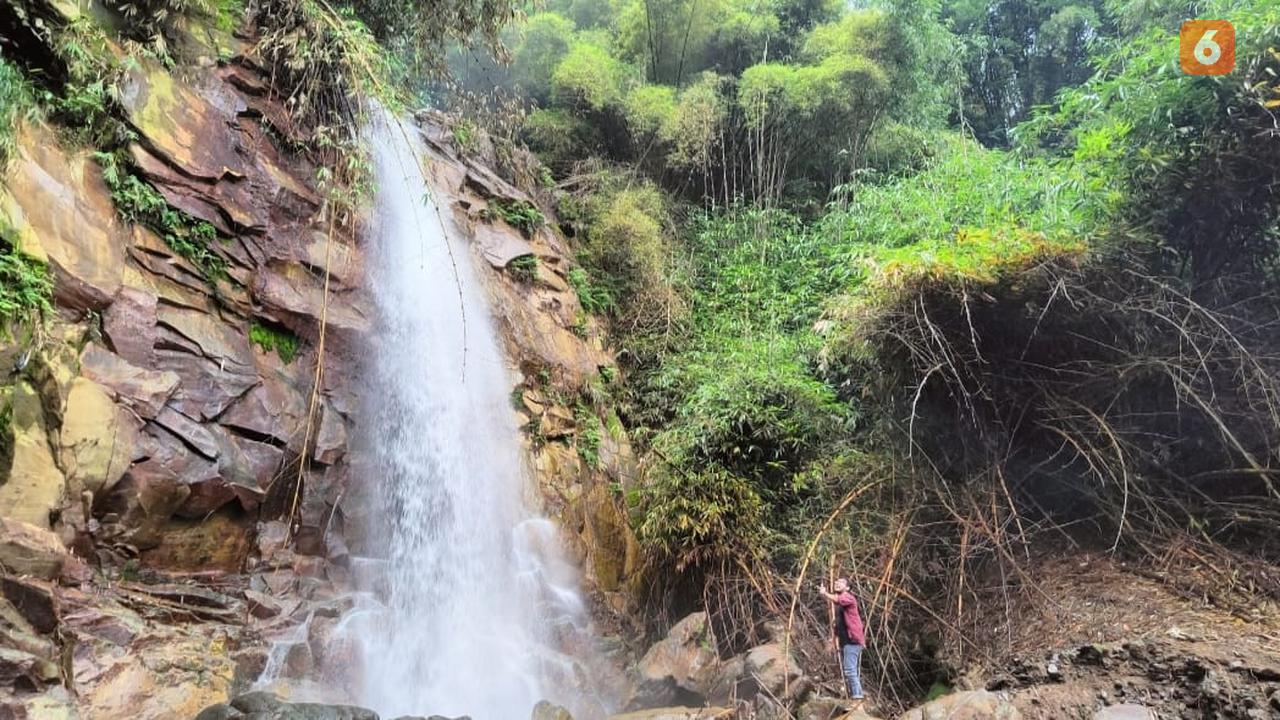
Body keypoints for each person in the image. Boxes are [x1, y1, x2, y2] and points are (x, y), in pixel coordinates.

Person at [819, 578, 865, 701]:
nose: (836, 583)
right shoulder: (839, 607)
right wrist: (833, 640)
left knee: (850, 670)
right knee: (850, 670)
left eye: (841, 582)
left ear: (848, 588)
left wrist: (825, 593)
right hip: (846, 642)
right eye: (836, 582)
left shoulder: (849, 598)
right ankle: (857, 695)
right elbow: (838, 624)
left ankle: (857, 696)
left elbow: (838, 599)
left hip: (853, 641)